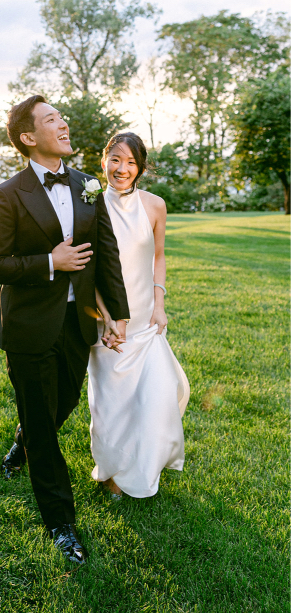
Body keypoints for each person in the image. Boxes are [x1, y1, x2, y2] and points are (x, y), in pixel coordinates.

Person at [0, 95, 130, 565]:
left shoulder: (87, 186)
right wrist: (50, 261)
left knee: (59, 405)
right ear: (28, 137)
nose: (63, 123)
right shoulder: (8, 194)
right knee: (46, 427)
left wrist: (117, 313)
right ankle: (60, 522)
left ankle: (22, 440)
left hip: (75, 324)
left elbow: (106, 253)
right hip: (27, 326)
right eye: (51, 120)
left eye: (61, 116)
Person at [88, 132, 190, 500]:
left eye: (131, 162)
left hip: (147, 317)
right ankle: (112, 472)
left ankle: (147, 462)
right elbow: (90, 269)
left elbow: (158, 257)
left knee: (155, 395)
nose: (122, 168)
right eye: (116, 159)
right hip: (110, 319)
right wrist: (107, 316)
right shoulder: (90, 206)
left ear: (141, 168)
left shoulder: (155, 206)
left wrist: (160, 303)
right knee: (112, 402)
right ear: (104, 161)